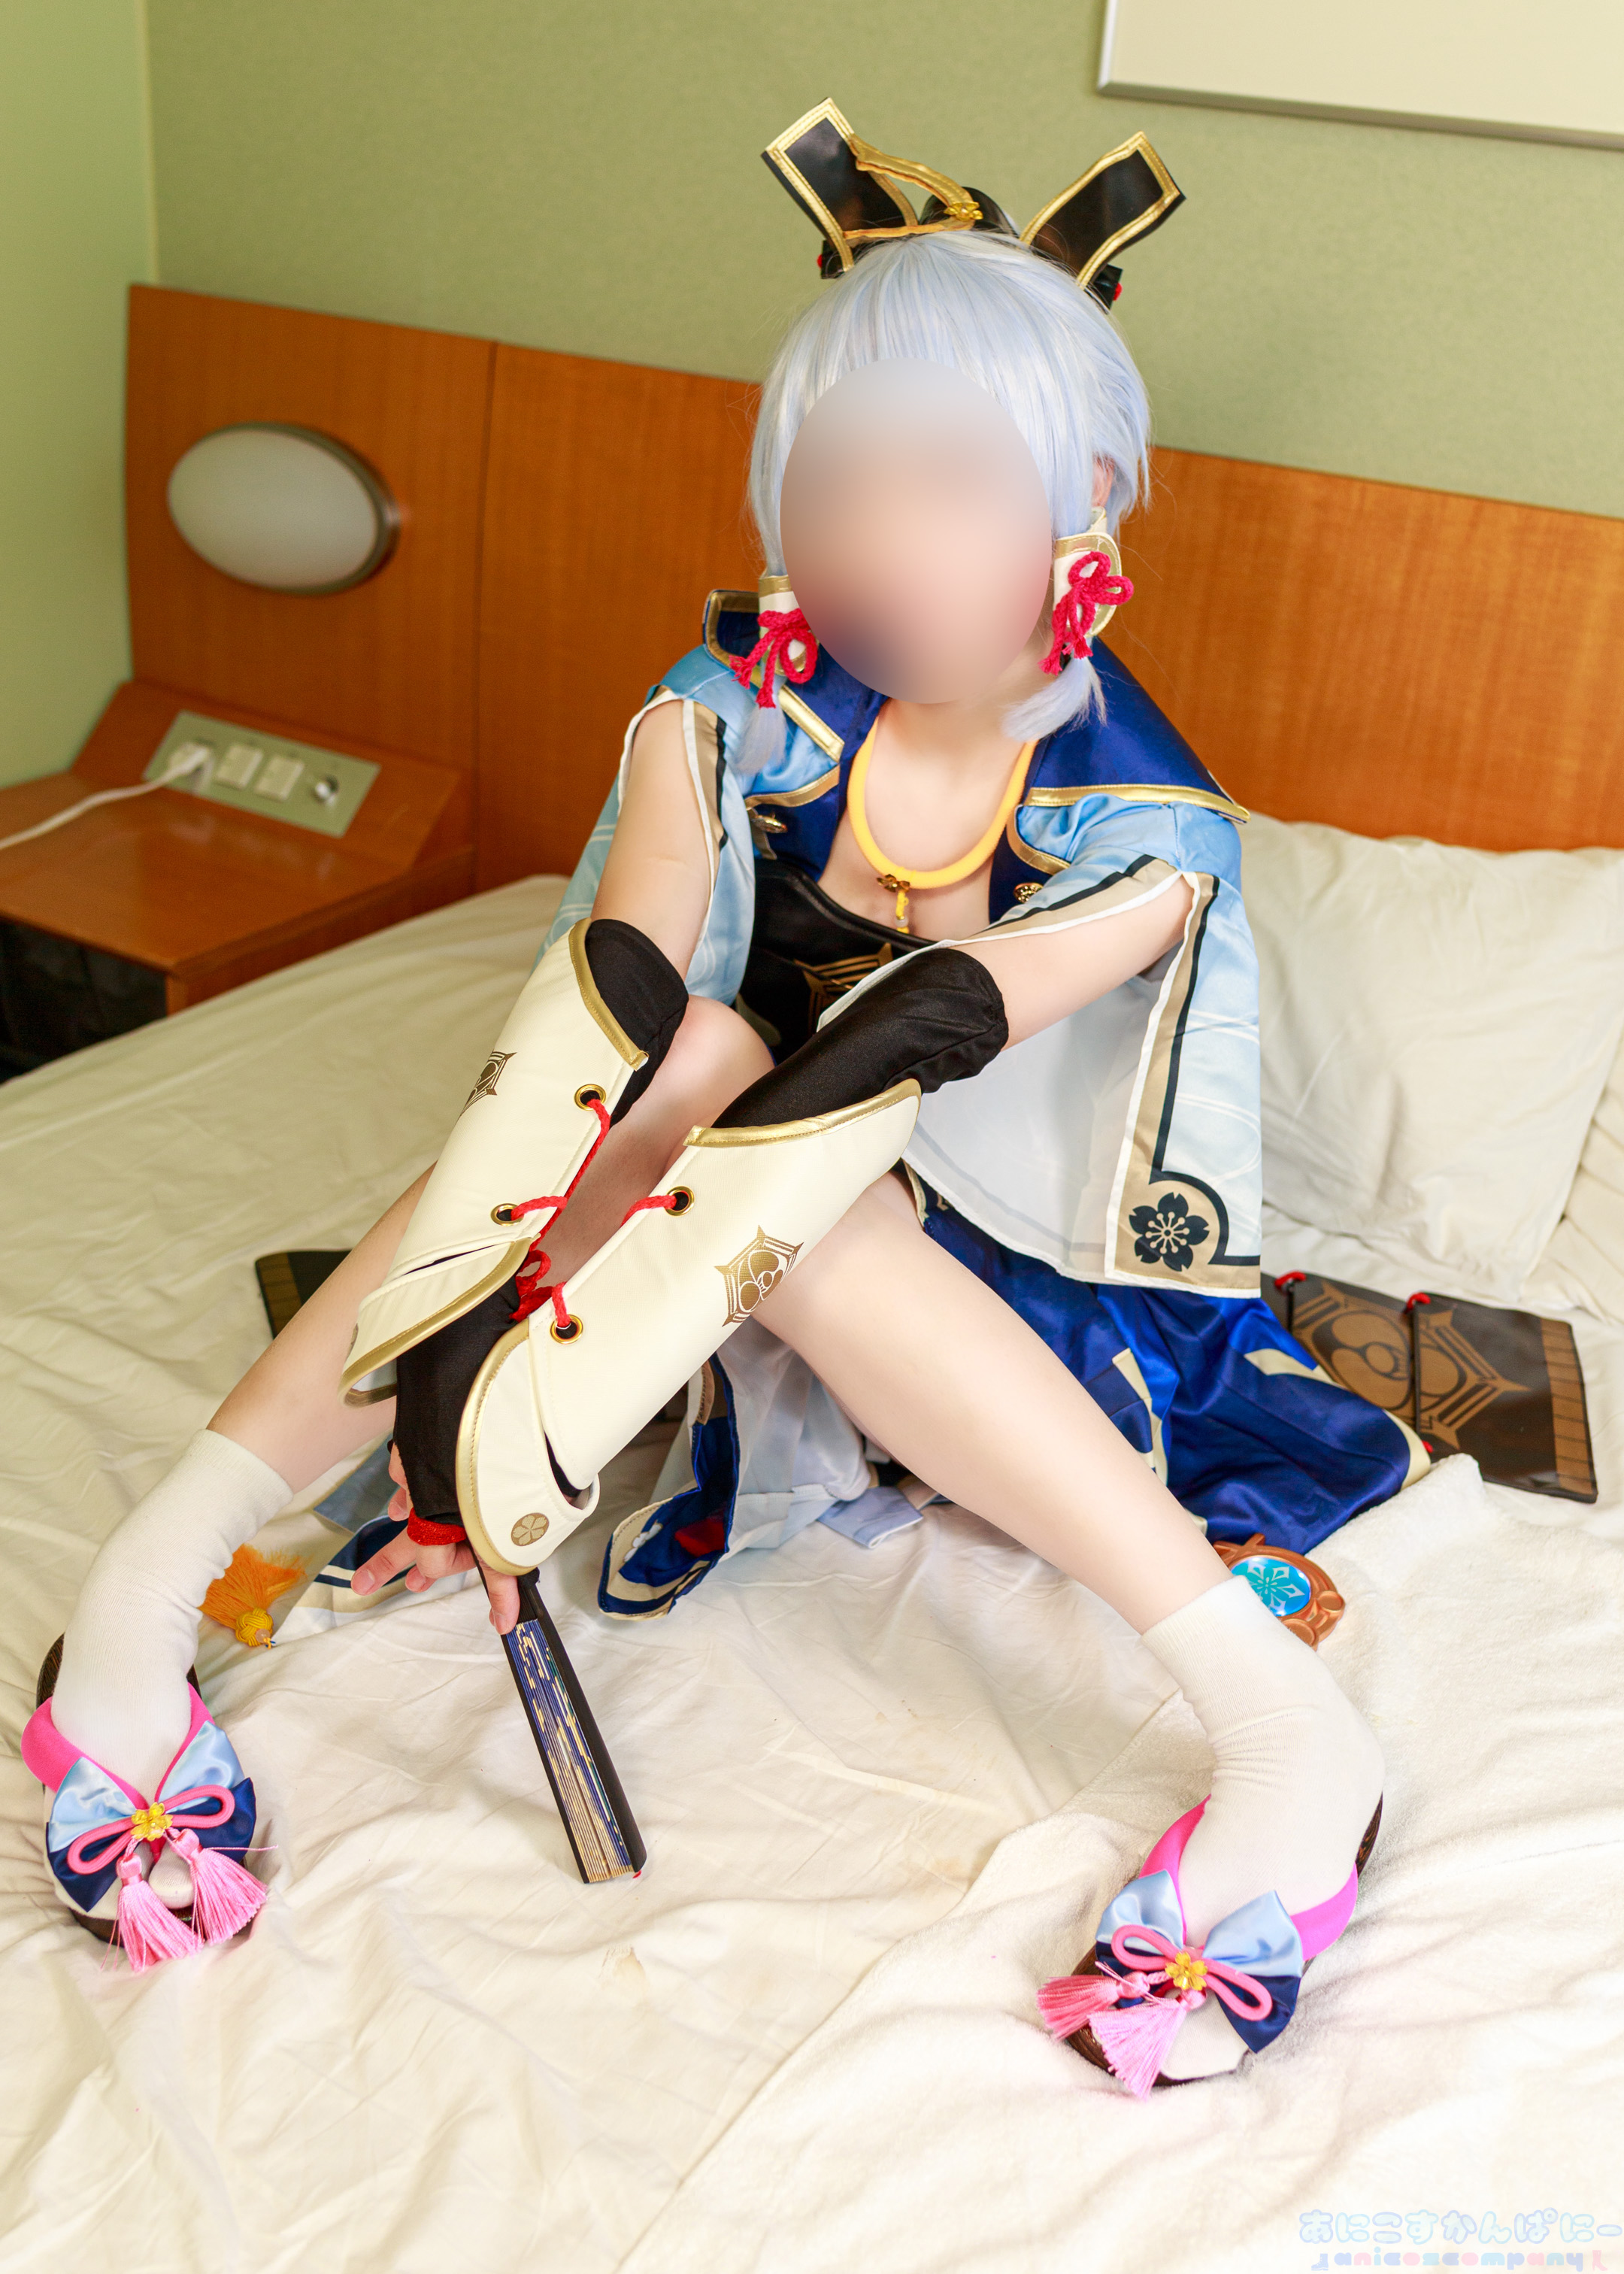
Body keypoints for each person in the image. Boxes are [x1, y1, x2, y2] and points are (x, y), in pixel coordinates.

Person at [28, 108, 1420, 2083]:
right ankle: (155, 1573)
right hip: (692, 1170)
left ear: (1085, 497)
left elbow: (938, 1024)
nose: (873, 540)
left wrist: (665, 1164)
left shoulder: (1150, 828)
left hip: (985, 1254)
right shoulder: (725, 708)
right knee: (682, 1054)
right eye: (830, 482)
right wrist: (566, 1197)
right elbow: (626, 968)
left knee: (772, 1129)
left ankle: (1288, 1733)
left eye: (946, 479)